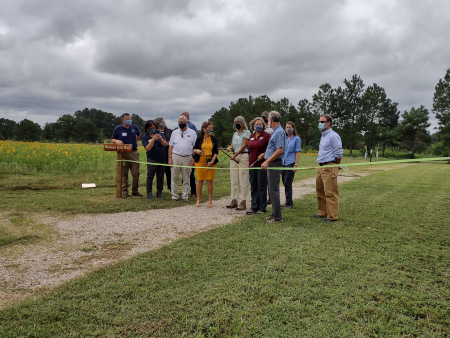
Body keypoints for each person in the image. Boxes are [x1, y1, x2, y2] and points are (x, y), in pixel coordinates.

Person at [314, 114, 343, 222]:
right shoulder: (323, 136)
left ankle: (332, 216)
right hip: (320, 166)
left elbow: (339, 152)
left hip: (329, 167)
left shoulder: (333, 135)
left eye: (322, 122)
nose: (320, 124)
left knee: (330, 192)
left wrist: (334, 165)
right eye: (319, 121)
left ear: (329, 123)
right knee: (320, 191)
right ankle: (322, 213)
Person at [261, 111, 284, 223]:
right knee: (272, 189)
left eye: (268, 120)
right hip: (271, 162)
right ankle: (274, 213)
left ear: (271, 120)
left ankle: (277, 218)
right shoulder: (276, 131)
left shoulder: (279, 132)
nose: (267, 122)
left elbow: (280, 150)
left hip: (275, 163)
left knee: (274, 190)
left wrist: (267, 161)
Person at [111, 113, 142, 198]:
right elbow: (113, 139)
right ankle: (125, 192)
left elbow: (139, 134)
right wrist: (116, 141)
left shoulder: (134, 127)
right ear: (123, 120)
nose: (129, 120)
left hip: (133, 152)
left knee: (136, 173)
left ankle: (135, 191)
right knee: (124, 173)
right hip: (123, 153)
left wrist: (134, 140)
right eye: (127, 119)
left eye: (130, 119)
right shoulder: (118, 129)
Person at [168, 115, 197, 201]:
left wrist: (193, 159)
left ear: (186, 123)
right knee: (174, 177)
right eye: (179, 122)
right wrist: (170, 158)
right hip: (176, 156)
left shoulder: (192, 133)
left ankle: (185, 195)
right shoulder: (174, 132)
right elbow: (170, 146)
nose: (180, 124)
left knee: (186, 178)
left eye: (182, 122)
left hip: (187, 157)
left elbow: (195, 147)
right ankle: (174, 195)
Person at [246, 117, 271, 215]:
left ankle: (262, 207)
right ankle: (254, 206)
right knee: (253, 186)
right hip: (252, 164)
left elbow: (271, 148)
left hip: (262, 165)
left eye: (260, 124)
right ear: (253, 125)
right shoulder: (251, 136)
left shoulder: (266, 136)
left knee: (262, 186)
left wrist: (264, 154)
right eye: (257, 124)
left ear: (263, 126)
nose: (258, 126)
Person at [226, 116, 251, 210]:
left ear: (243, 123)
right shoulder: (235, 134)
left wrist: (235, 154)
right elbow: (232, 145)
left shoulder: (247, 132)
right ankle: (234, 200)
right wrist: (230, 148)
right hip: (233, 157)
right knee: (234, 180)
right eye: (236, 122)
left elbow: (244, 145)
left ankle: (243, 201)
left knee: (243, 179)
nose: (237, 124)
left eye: (239, 122)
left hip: (243, 156)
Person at [193, 122, 218, 207]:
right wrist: (197, 151)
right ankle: (198, 199)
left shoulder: (214, 139)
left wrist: (212, 162)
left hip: (211, 161)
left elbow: (216, 152)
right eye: (209, 128)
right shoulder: (199, 138)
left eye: (212, 128)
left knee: (209, 181)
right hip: (200, 161)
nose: (211, 129)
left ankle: (210, 200)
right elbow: (194, 149)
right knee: (199, 181)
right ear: (204, 129)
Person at [142, 120, 168, 199]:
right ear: (147, 129)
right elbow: (148, 148)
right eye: (150, 128)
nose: (152, 129)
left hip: (161, 158)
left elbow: (165, 144)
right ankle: (149, 192)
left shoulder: (159, 133)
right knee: (150, 176)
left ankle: (159, 192)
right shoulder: (145, 137)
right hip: (152, 159)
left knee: (160, 176)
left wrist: (160, 139)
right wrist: (153, 140)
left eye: (153, 127)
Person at [282, 121, 301, 209]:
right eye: (287, 127)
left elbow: (297, 152)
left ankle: (289, 203)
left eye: (290, 127)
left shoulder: (296, 139)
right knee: (284, 182)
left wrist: (295, 164)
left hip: (291, 162)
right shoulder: (284, 138)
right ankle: (287, 200)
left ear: (293, 128)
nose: (288, 129)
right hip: (283, 163)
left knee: (288, 183)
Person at [181, 111, 197, 198]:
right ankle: (185, 191)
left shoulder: (191, 127)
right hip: (182, 155)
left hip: (190, 154)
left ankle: (193, 192)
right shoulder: (180, 128)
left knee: (190, 174)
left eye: (182, 116)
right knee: (184, 174)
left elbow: (194, 142)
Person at [154, 117, 172, 191]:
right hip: (158, 155)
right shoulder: (155, 132)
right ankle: (159, 189)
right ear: (158, 123)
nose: (164, 123)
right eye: (162, 122)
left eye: (164, 122)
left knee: (169, 172)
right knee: (159, 174)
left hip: (168, 154)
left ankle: (170, 187)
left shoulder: (170, 131)